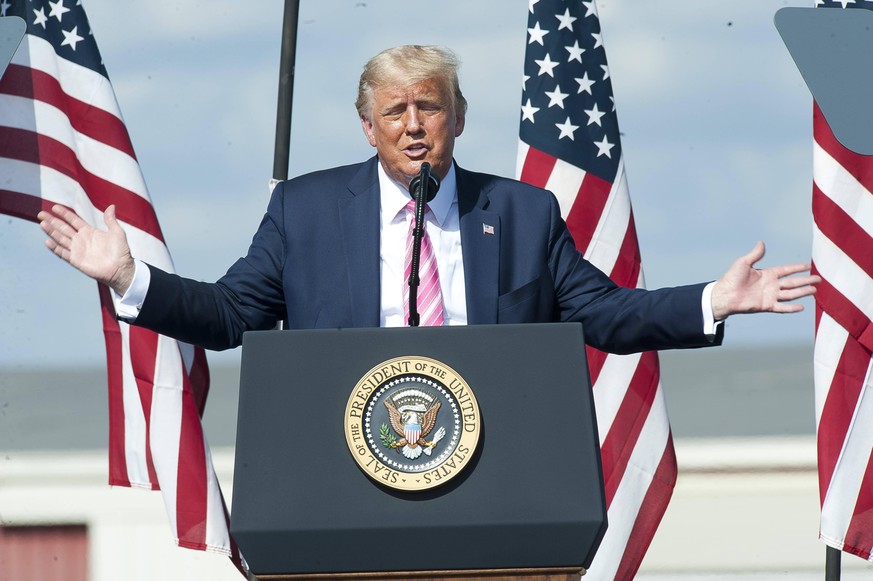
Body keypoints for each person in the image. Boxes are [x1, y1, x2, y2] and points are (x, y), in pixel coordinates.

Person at [37, 45, 819, 354]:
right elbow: (230, 315)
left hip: (494, 472)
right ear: (367, 126)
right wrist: (127, 277)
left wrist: (711, 300)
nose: (414, 127)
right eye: (395, 112)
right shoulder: (303, 213)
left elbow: (602, 316)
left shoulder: (520, 214)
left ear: (458, 117)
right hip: (342, 474)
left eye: (429, 107)